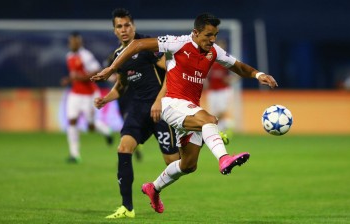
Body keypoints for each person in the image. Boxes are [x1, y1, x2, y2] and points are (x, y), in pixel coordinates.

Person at [91, 13, 278, 213]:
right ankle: (223, 158)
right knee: (209, 119)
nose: (212, 40)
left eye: (214, 35)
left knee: (188, 165)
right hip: (171, 104)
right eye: (208, 35)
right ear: (195, 33)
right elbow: (137, 45)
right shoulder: (177, 43)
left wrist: (259, 74)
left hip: (189, 109)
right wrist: (111, 68)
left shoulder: (214, 51)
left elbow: (238, 66)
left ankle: (153, 188)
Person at [93, 8, 180, 219]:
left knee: (174, 162)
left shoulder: (148, 46)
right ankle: (127, 208)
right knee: (123, 148)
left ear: (134, 27)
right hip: (138, 109)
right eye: (119, 26)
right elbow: (121, 87)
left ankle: (200, 136)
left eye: (127, 25)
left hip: (160, 109)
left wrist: (159, 101)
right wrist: (106, 99)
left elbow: (172, 72)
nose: (124, 30)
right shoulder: (117, 56)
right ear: (114, 31)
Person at [61, 31, 113, 163]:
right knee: (72, 120)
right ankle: (74, 154)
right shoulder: (69, 56)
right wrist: (68, 80)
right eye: (71, 42)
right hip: (74, 94)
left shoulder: (86, 55)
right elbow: (75, 76)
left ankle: (106, 131)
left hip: (89, 95)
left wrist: (81, 78)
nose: (73, 44)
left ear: (80, 42)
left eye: (75, 42)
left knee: (90, 127)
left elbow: (96, 71)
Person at [205, 39, 239, 136]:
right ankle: (225, 127)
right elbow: (205, 75)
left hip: (223, 90)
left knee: (222, 110)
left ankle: (223, 129)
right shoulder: (209, 60)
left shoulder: (228, 60)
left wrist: (230, 79)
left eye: (222, 46)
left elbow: (238, 74)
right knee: (213, 114)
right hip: (212, 91)